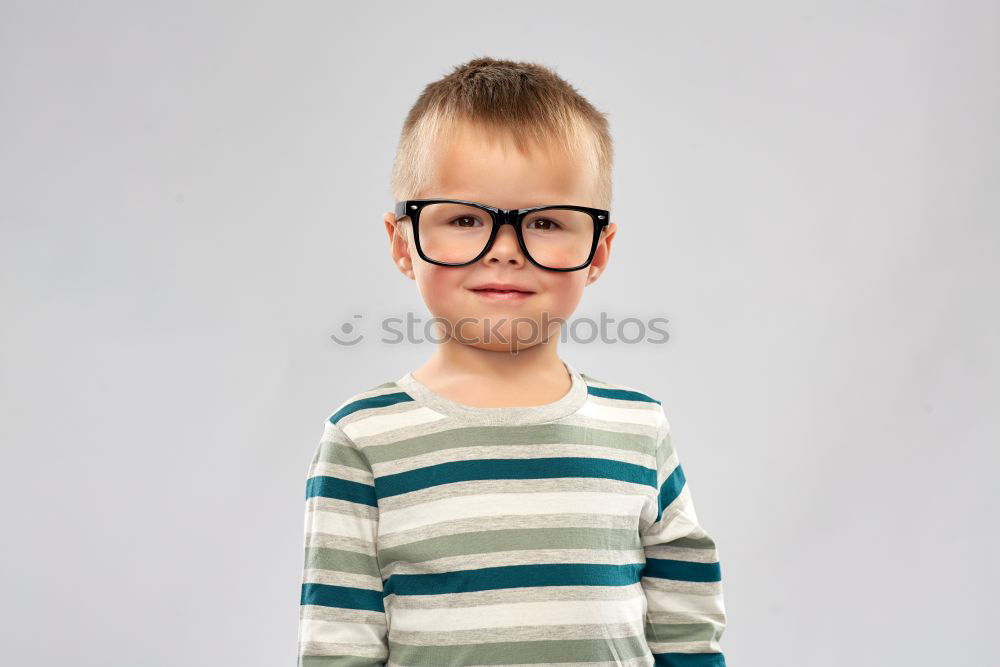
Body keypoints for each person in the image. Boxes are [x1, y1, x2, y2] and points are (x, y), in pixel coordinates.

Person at [297, 56, 727, 666]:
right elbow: (338, 646)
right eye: (465, 219)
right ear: (402, 243)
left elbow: (687, 621)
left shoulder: (639, 430)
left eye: (546, 222)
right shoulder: (362, 438)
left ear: (597, 251)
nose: (503, 251)